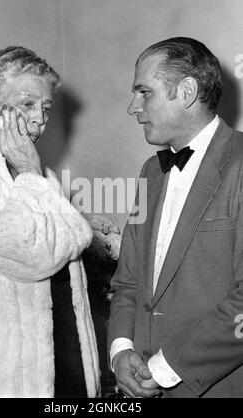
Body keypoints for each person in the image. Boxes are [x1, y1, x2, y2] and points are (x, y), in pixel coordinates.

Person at [0, 46, 100, 398]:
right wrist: (32, 175)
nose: (39, 119)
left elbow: (78, 237)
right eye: (27, 104)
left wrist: (32, 174)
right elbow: (33, 253)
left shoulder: (36, 171)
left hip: (64, 356)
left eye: (45, 108)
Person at [108, 37, 243, 398]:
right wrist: (121, 351)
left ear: (186, 92)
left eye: (144, 92)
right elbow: (128, 283)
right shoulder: (151, 172)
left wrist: (164, 369)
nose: (132, 107)